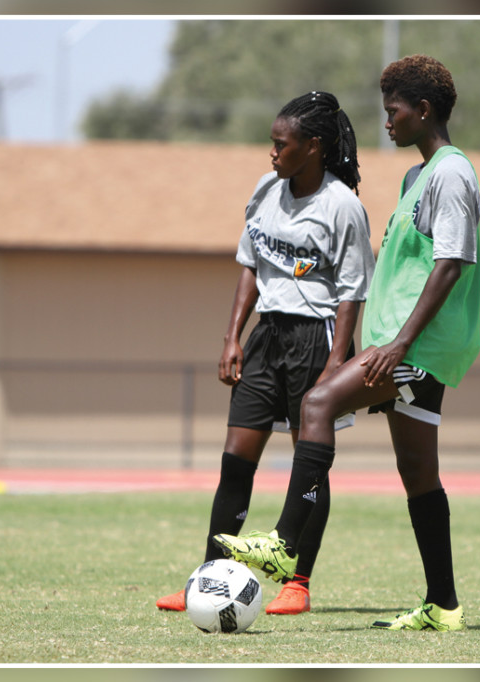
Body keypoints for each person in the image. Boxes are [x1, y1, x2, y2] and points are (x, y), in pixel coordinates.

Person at [214, 55, 480, 632]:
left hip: (414, 348)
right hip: (404, 345)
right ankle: (444, 605)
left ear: (424, 110)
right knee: (417, 472)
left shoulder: (451, 173)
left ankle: (286, 546)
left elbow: (451, 264)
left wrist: (398, 343)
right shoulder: (417, 176)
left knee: (317, 403)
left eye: (395, 111)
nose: (386, 122)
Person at [156, 91, 375, 616]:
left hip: (316, 339)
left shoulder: (342, 205)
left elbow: (352, 293)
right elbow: (250, 266)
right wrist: (232, 335)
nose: (272, 153)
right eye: (272, 143)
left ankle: (297, 582)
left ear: (314, 147)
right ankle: (207, 581)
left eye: (282, 144)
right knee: (235, 463)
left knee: (310, 466)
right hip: (266, 338)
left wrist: (334, 365)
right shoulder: (264, 190)